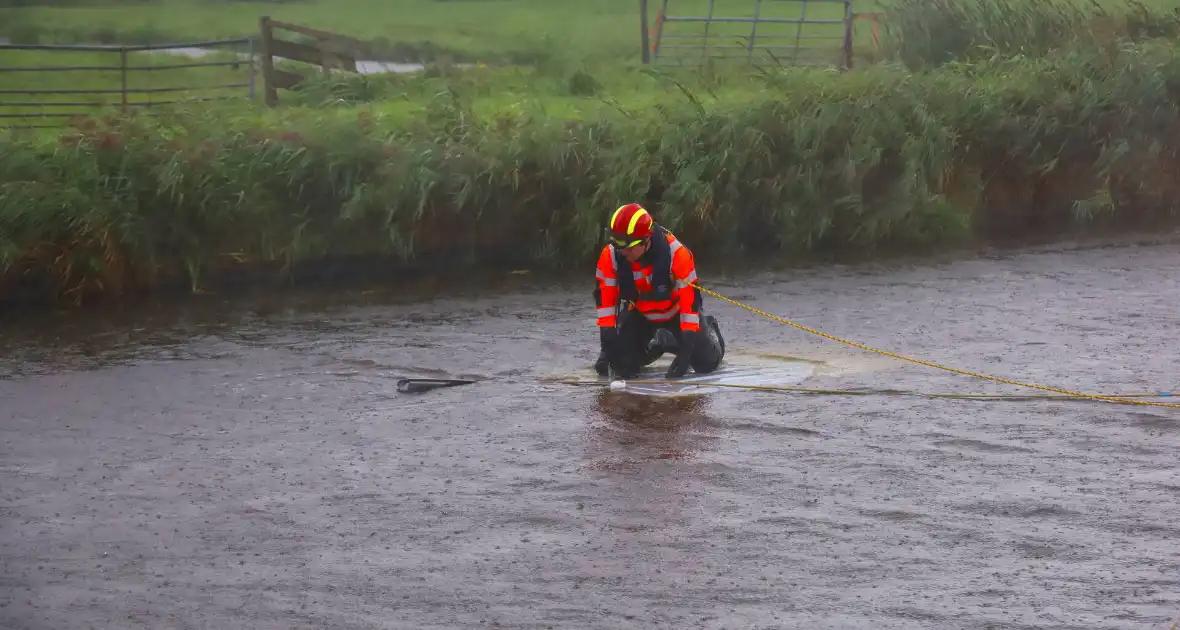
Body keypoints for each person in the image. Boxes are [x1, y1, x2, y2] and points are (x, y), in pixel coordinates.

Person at [592, 203, 726, 380]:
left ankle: (709, 327)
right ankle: (659, 342)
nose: (623, 252)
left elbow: (689, 307)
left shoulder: (678, 255)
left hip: (676, 313)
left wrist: (686, 353)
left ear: (646, 240)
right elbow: (606, 302)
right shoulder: (611, 256)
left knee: (705, 364)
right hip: (641, 314)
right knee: (623, 366)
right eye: (618, 246)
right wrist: (607, 340)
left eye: (629, 247)